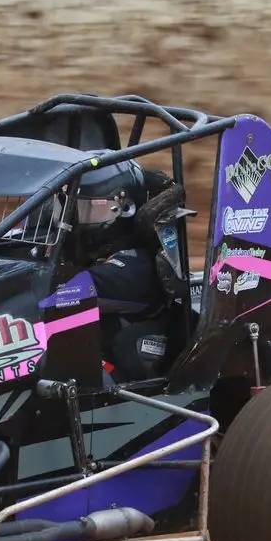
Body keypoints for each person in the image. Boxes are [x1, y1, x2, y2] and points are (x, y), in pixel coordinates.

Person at [68, 159, 190, 381]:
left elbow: (59, 294)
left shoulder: (135, 266)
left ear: (125, 209)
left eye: (90, 210)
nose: (79, 219)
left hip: (113, 379)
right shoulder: (94, 252)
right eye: (76, 208)